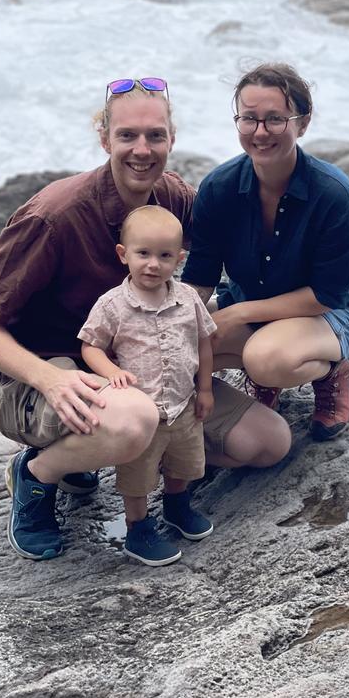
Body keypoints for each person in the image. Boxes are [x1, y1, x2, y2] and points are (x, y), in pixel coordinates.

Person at [0, 76, 288, 562]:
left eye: (155, 135)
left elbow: (253, 228)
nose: (142, 150)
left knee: (267, 442)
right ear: (105, 138)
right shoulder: (55, 215)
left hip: (141, 373)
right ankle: (38, 474)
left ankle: (110, 453)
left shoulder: (170, 197)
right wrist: (49, 380)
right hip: (41, 379)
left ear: (172, 139)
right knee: (134, 421)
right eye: (127, 135)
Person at [181, 62, 349, 441]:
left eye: (275, 119)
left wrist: (236, 313)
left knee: (265, 360)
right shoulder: (219, 188)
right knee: (184, 348)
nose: (260, 132)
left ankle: (335, 371)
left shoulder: (334, 195)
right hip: (258, 307)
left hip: (332, 312)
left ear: (301, 124)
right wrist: (176, 326)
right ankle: (262, 381)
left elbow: (326, 295)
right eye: (249, 119)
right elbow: (201, 274)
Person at [79, 205, 215, 567]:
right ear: (124, 255)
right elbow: (90, 346)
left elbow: (203, 342)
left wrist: (205, 389)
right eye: (143, 254)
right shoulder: (112, 305)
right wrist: (110, 371)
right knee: (137, 476)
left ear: (179, 259)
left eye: (165, 256)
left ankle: (177, 506)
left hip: (184, 404)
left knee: (183, 464)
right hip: (144, 413)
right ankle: (138, 528)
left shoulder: (188, 298)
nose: (153, 264)